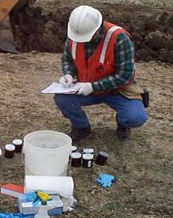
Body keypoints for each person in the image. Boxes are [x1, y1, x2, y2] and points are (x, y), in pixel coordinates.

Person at [54, 5, 148, 142]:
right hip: (85, 87)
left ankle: (123, 123)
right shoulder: (76, 33)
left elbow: (125, 75)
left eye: (87, 37)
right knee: (62, 99)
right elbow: (68, 59)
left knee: (136, 118)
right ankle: (81, 127)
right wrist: (68, 74)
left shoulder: (119, 38)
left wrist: (93, 86)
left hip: (117, 91)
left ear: (98, 29)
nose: (83, 40)